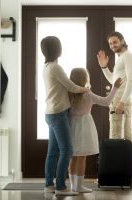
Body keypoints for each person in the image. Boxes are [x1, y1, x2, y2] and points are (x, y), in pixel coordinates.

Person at [41, 36, 89, 196]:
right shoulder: (56, 67)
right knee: (67, 150)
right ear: (57, 49)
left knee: (53, 152)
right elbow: (71, 86)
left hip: (50, 113)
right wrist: (85, 89)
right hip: (58, 114)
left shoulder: (47, 66)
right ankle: (60, 187)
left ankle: (49, 185)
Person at [68, 68, 122, 193]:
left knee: (72, 158)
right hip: (85, 127)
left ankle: (72, 186)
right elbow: (106, 101)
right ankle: (79, 186)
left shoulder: (68, 94)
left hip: (71, 127)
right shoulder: (88, 94)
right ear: (84, 80)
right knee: (82, 157)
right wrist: (115, 88)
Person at [96, 31, 132, 179]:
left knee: (116, 136)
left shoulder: (128, 57)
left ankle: (114, 173)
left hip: (121, 101)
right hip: (120, 100)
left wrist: (121, 102)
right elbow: (114, 81)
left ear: (122, 41)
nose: (112, 45)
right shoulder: (121, 58)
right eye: (110, 43)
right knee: (127, 136)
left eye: (115, 42)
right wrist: (104, 67)